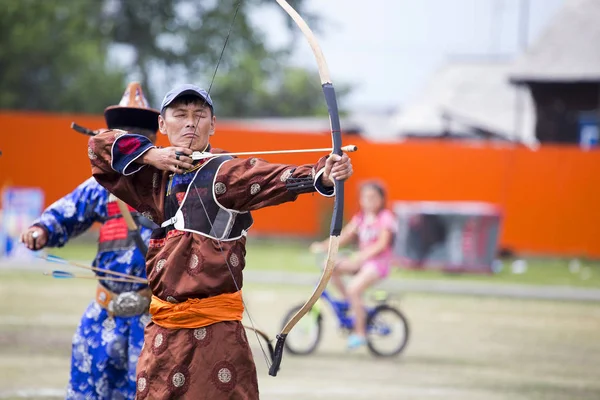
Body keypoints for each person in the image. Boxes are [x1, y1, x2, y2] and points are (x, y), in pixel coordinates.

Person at [87, 83, 353, 399]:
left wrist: (323, 174)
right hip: (161, 334)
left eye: (200, 115)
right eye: (180, 114)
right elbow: (98, 148)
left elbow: (274, 179)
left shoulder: (225, 173)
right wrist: (152, 154)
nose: (190, 122)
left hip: (213, 340)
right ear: (162, 124)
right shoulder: (157, 177)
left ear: (213, 124)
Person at [20, 82, 159, 400]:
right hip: (104, 314)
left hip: (152, 319)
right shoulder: (101, 185)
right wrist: (42, 230)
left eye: (141, 129)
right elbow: (67, 212)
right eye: (124, 129)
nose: (133, 134)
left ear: (153, 138)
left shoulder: (167, 183)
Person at [310, 181, 396, 349]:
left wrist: (363, 255)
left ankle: (360, 333)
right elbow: (343, 237)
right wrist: (324, 246)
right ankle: (350, 302)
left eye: (373, 197)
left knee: (354, 289)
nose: (369, 201)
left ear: (381, 199)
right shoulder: (360, 218)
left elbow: (382, 244)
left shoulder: (385, 218)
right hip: (362, 262)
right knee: (331, 268)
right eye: (365, 197)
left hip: (377, 264)